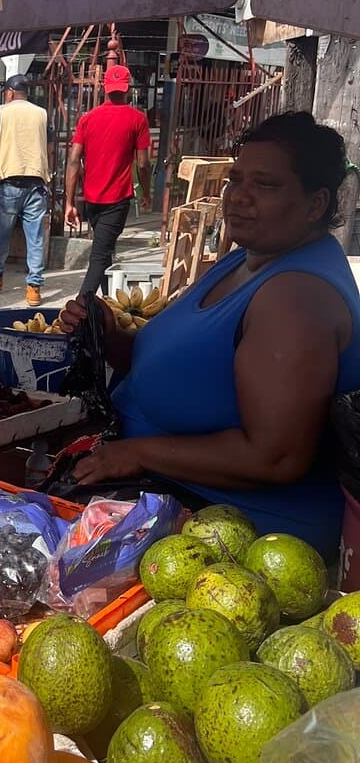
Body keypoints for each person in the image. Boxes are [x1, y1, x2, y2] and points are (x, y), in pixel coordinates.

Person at [62, 111, 360, 560]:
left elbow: (276, 457)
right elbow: (186, 367)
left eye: (265, 185)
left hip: (229, 533)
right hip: (160, 483)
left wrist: (137, 453)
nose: (238, 197)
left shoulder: (295, 297)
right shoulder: (248, 259)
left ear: (315, 205)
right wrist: (109, 337)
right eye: (235, 180)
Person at [64, 64, 152, 296]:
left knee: (104, 250)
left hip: (92, 200)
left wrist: (69, 202)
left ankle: (107, 300)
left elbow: (73, 161)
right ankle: (81, 306)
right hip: (117, 200)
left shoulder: (87, 119)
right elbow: (143, 164)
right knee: (101, 254)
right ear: (127, 88)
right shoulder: (137, 119)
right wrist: (146, 192)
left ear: (105, 87)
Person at [0, 74, 53, 307]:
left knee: (2, 233)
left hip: (9, 180)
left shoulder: (3, 111)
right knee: (35, 237)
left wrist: (4, 159)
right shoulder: (42, 113)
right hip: (36, 182)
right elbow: (49, 148)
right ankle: (34, 289)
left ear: (9, 92)